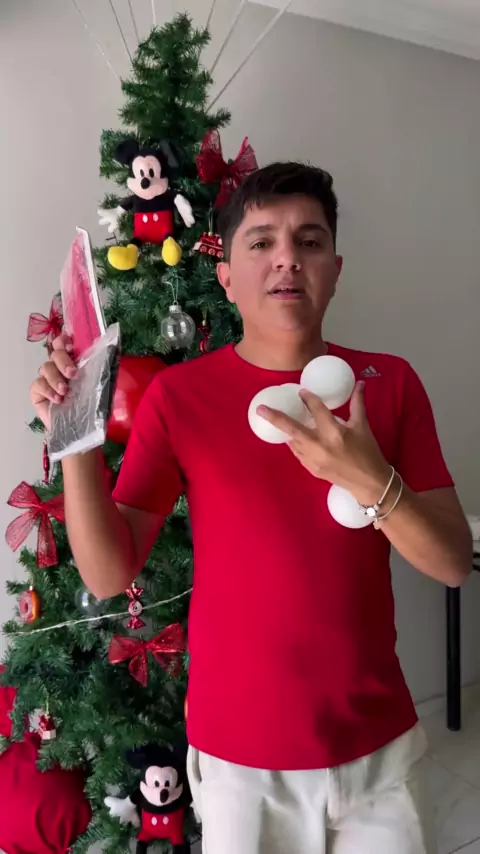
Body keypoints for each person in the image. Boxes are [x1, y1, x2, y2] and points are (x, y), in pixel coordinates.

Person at [30, 162, 472, 854]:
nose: (287, 257)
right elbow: (110, 572)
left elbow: (452, 563)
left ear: (335, 270)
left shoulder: (390, 384)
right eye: (262, 241)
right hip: (241, 763)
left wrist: (371, 481)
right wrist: (76, 437)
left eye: (310, 241)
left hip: (378, 752)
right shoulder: (179, 398)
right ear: (227, 276)